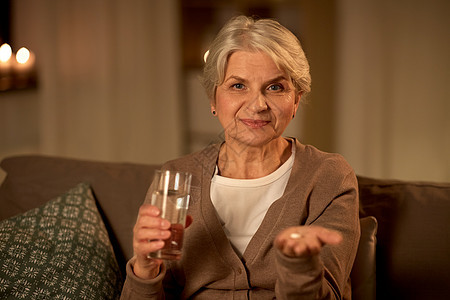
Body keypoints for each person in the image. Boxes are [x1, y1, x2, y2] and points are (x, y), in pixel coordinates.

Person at [120, 15, 360, 299]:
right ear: (213, 98)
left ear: (296, 100)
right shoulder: (177, 176)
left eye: (275, 87)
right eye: (238, 86)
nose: (257, 105)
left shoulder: (328, 176)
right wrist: (145, 269)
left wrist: (299, 267)